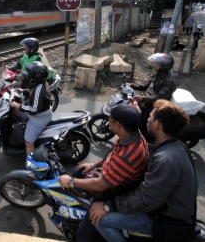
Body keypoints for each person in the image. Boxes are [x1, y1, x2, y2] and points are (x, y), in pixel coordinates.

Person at [87, 100, 196, 242]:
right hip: (164, 208)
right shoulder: (175, 146)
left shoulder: (166, 160)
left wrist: (107, 206)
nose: (147, 119)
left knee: (97, 218)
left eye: (150, 116)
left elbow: (145, 200)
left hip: (164, 219)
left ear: (157, 124)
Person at [57, 104, 149, 242]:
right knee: (78, 171)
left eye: (109, 118)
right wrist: (94, 164)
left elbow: (100, 185)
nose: (107, 120)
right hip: (113, 179)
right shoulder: (132, 136)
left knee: (83, 234)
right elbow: (112, 155)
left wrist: (70, 182)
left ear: (117, 125)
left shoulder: (127, 156)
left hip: (114, 193)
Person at [9, 62, 53, 155]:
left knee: (28, 143)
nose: (27, 74)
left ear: (35, 75)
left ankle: (31, 166)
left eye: (29, 73)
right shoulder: (40, 83)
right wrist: (24, 91)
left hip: (38, 117)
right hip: (38, 112)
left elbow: (34, 109)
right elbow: (34, 94)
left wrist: (19, 105)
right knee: (15, 112)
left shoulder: (39, 89)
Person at [129, 53, 176, 137]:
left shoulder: (169, 81)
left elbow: (159, 99)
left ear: (164, 66)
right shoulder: (156, 74)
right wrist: (132, 85)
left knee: (142, 124)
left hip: (155, 106)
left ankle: (143, 138)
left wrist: (142, 98)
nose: (153, 65)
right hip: (147, 101)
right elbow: (145, 87)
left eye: (156, 64)